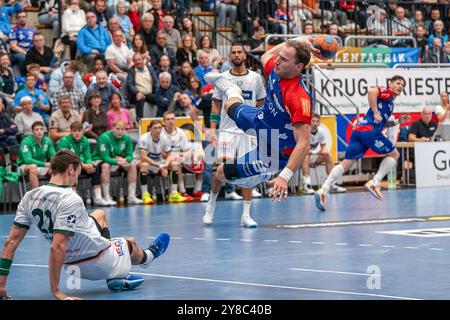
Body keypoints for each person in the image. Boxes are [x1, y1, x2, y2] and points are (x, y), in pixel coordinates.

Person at [0, 149, 170, 300]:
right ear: (70, 169)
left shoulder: (29, 196)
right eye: (77, 174)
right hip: (97, 262)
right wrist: (57, 292)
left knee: (100, 214)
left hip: (70, 265)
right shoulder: (70, 198)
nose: (77, 179)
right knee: (130, 242)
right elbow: (57, 246)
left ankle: (113, 266)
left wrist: (1, 286)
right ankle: (148, 258)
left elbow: (11, 242)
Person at [202, 37, 319, 224]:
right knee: (230, 108)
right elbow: (266, 55)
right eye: (279, 56)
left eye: (284, 59)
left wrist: (284, 177)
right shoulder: (277, 67)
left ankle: (251, 195)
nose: (278, 60)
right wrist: (301, 40)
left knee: (225, 173)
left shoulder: (299, 98)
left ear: (299, 67)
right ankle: (230, 88)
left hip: (272, 149)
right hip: (260, 118)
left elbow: (304, 144)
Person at [314, 75, 407, 211]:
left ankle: (323, 190)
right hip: (369, 131)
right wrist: (375, 111)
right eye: (398, 83)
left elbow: (382, 123)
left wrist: (399, 122)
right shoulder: (386, 92)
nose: (400, 86)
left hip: (359, 132)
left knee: (346, 163)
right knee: (394, 155)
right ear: (391, 84)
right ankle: (375, 182)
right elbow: (371, 92)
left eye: (403, 85)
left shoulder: (390, 104)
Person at [203, 43, 266, 228]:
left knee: (248, 171)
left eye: (240, 52)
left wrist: (259, 128)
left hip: (248, 131)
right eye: (233, 53)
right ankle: (211, 205)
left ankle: (246, 215)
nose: (237, 55)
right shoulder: (222, 78)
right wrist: (212, 129)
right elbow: (216, 105)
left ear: (245, 56)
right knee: (220, 170)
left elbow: (260, 103)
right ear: (230, 56)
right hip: (227, 131)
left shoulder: (255, 78)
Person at [92, 120, 144, 205]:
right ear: (112, 128)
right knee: (106, 166)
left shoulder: (127, 138)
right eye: (118, 129)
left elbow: (130, 155)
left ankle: (131, 197)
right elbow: (105, 157)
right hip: (99, 159)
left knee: (132, 165)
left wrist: (125, 160)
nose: (120, 132)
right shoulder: (104, 137)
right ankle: (106, 197)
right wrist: (118, 162)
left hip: (117, 160)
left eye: (122, 129)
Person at [301, 113, 346, 195]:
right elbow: (303, 150)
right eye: (313, 121)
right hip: (301, 158)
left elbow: (324, 148)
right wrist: (316, 152)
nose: (315, 123)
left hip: (313, 156)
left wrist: (321, 152)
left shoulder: (321, 131)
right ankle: (307, 185)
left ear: (319, 122)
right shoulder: (305, 131)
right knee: (305, 156)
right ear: (310, 122)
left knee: (328, 156)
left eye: (317, 121)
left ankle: (332, 184)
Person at [17, 121, 56, 190]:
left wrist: (54, 164)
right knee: (33, 167)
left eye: (41, 129)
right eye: (37, 129)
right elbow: (28, 160)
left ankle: (55, 194)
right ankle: (36, 195)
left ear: (44, 131)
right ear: (32, 131)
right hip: (24, 166)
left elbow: (54, 157)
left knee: (56, 169)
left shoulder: (48, 140)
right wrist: (44, 164)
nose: (39, 131)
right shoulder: (26, 142)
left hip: (40, 166)